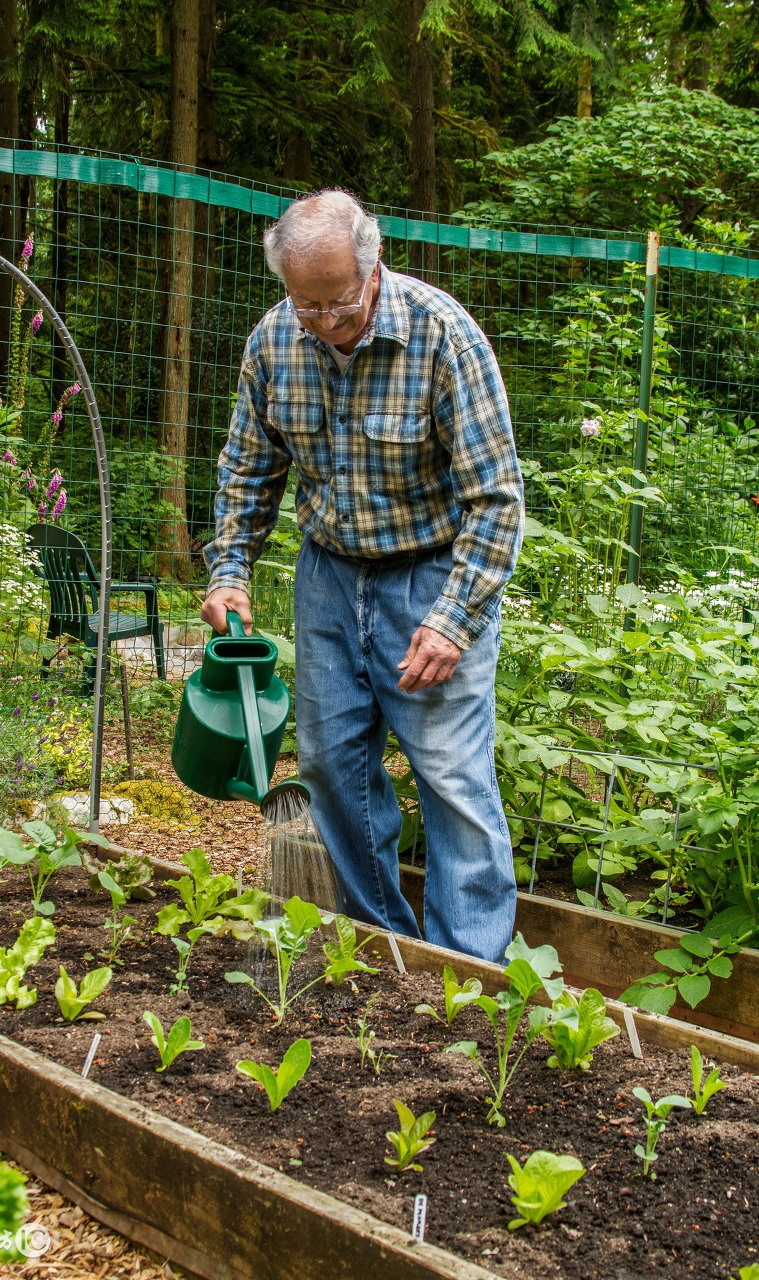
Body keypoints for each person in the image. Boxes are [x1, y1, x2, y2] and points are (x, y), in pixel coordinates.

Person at [201, 189, 524, 963]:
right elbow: (248, 472)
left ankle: (467, 972)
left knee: (450, 776)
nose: (323, 320)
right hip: (327, 578)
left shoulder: (442, 336)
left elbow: (496, 498)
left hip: (431, 575)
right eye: (304, 303)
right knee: (330, 766)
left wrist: (452, 619)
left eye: (337, 301)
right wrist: (228, 568)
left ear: (372, 264)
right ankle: (382, 951)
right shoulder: (275, 340)